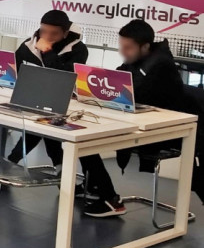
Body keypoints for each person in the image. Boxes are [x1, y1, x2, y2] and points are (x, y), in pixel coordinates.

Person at [82, 20, 194, 217]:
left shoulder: (161, 65)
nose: (123, 52)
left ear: (145, 47)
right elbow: (118, 82)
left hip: (165, 132)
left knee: (84, 141)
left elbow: (136, 92)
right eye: (121, 46)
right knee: (80, 134)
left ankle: (108, 197)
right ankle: (95, 186)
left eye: (128, 47)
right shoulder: (136, 61)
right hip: (141, 123)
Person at [7, 10, 89, 169]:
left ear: (65, 34)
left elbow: (63, 77)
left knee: (44, 123)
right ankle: (58, 169)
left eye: (54, 33)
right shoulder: (28, 46)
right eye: (43, 31)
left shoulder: (78, 50)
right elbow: (13, 71)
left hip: (65, 102)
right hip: (31, 98)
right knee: (44, 124)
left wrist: (48, 51)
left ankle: (12, 161)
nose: (47, 37)